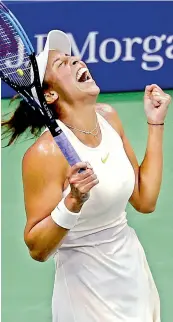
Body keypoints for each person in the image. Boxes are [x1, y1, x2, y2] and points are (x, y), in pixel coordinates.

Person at [2, 30, 171, 322]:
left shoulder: (108, 118)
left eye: (71, 56)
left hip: (132, 275)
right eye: (61, 63)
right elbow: (37, 248)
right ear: (50, 94)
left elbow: (145, 200)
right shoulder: (45, 154)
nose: (75, 60)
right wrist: (72, 203)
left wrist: (155, 124)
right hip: (86, 293)